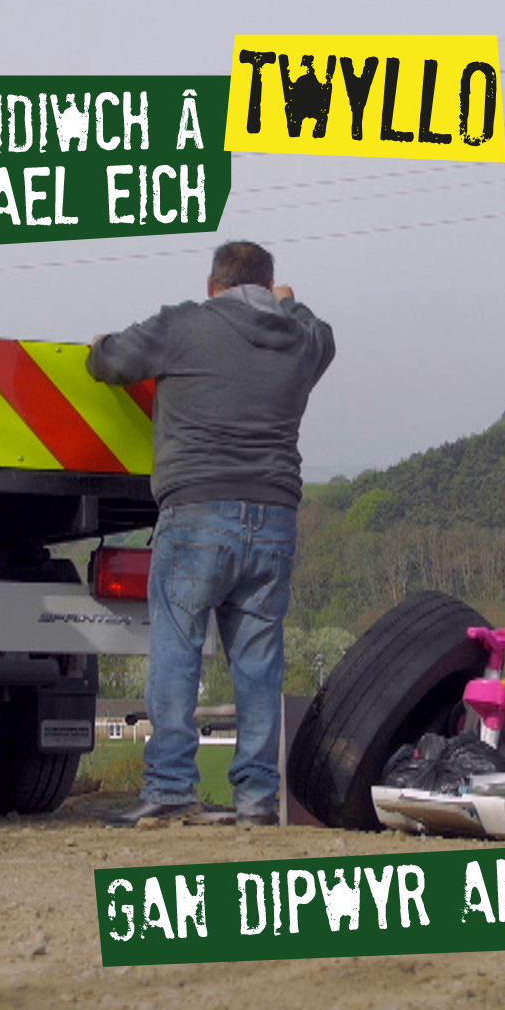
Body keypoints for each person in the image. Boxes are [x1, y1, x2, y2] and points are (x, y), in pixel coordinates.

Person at [87, 241, 335, 827]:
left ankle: (171, 787)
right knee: (258, 664)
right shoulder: (300, 338)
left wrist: (98, 345)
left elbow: (109, 362)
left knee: (177, 651)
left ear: (211, 285)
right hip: (274, 519)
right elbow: (323, 337)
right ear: (270, 284)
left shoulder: (184, 326)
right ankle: (256, 800)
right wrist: (290, 304)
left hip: (197, 510)